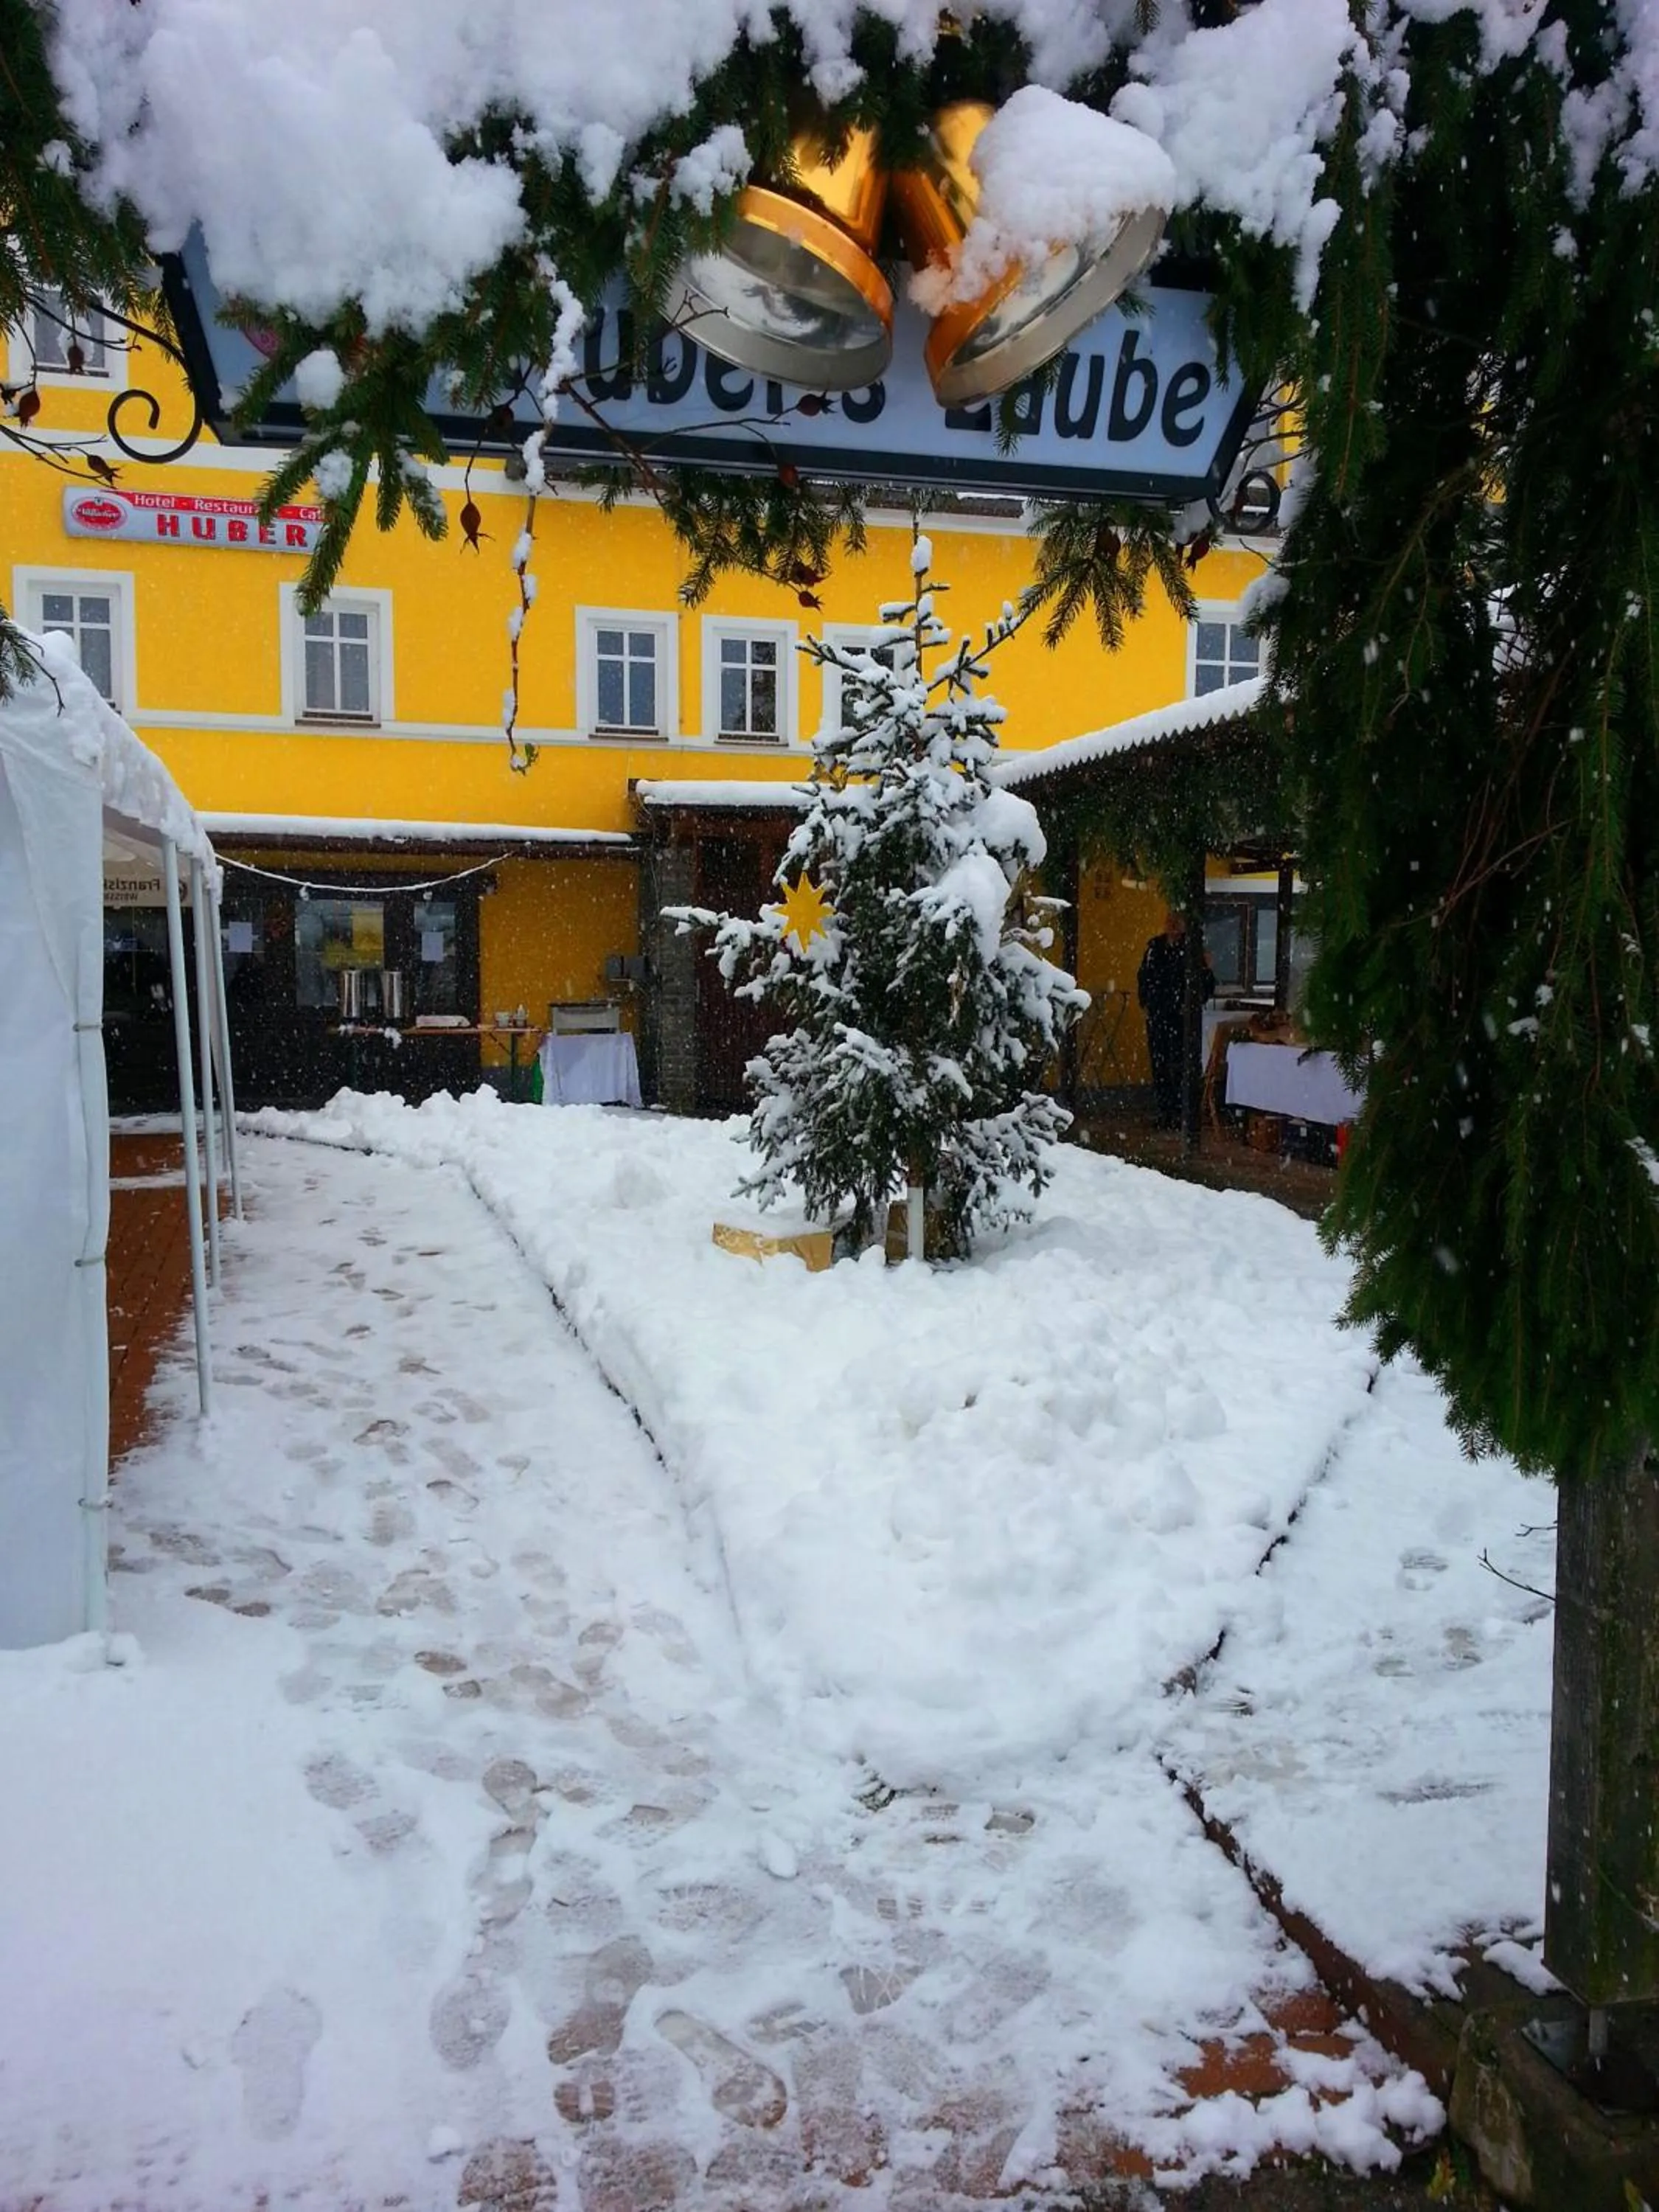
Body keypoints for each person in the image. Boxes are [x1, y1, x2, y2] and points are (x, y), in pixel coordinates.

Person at [1137, 907, 1214, 1130]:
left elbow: (1205, 986)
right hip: (1158, 1015)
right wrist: (1146, 1003)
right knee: (1160, 1064)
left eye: (1176, 921)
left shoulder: (1193, 949)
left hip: (1181, 1019)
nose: (1172, 924)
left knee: (1181, 1065)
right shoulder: (1155, 947)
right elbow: (1144, 976)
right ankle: (1164, 1112)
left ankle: (1182, 1113)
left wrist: (1206, 972)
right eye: (1169, 920)